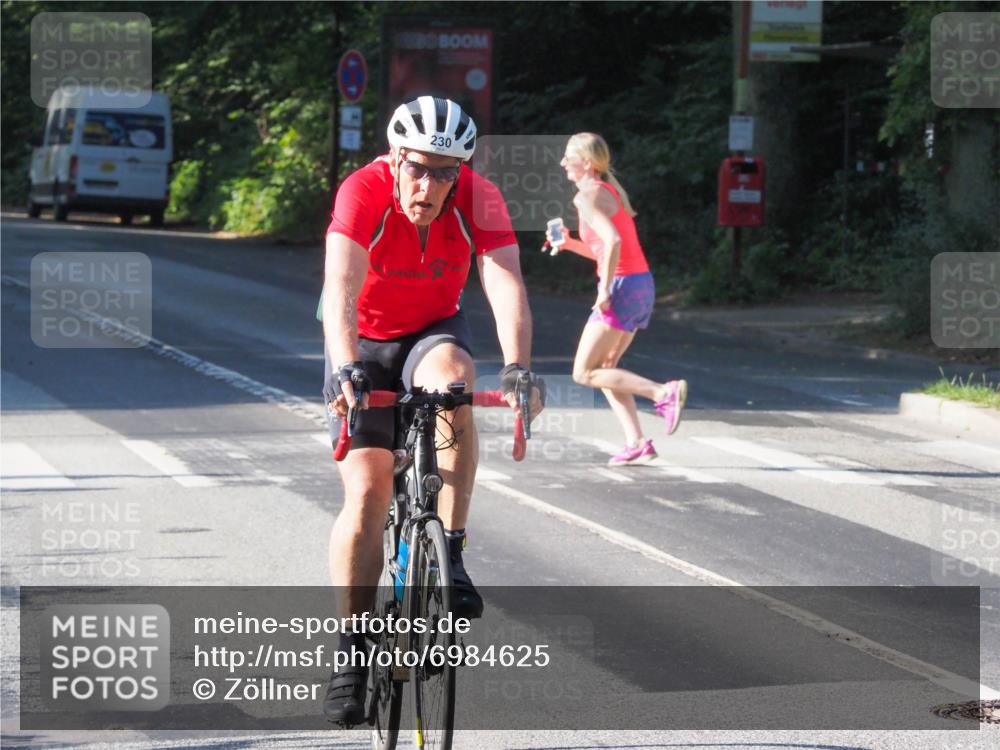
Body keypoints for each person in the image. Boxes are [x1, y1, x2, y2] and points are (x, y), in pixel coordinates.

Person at [320, 95, 544, 724]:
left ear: (461, 171)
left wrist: (519, 366)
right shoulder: (362, 191)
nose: (429, 184)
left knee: (455, 382)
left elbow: (503, 281)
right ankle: (354, 649)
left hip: (431, 330)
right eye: (417, 167)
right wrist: (346, 369)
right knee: (365, 494)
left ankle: (452, 546)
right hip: (360, 339)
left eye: (445, 173)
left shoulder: (481, 197)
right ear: (395, 158)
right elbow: (338, 287)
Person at [545, 132, 686, 466]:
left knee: (583, 373)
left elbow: (612, 243)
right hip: (640, 285)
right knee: (605, 367)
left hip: (622, 288)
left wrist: (604, 289)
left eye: (569, 157)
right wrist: (568, 243)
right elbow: (602, 248)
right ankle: (636, 441)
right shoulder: (607, 192)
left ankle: (662, 393)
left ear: (588, 163)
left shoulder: (587, 197)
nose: (563, 162)